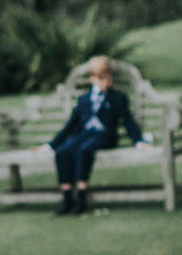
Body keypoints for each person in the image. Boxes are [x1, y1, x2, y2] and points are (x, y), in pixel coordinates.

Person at [48, 57, 147, 216]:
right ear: (92, 79)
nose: (106, 81)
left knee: (84, 150)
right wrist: (51, 145)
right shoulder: (84, 100)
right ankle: (67, 196)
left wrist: (138, 141)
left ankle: (81, 194)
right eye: (101, 78)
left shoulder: (117, 98)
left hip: (104, 136)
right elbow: (70, 125)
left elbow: (128, 121)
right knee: (64, 150)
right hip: (84, 135)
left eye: (108, 77)